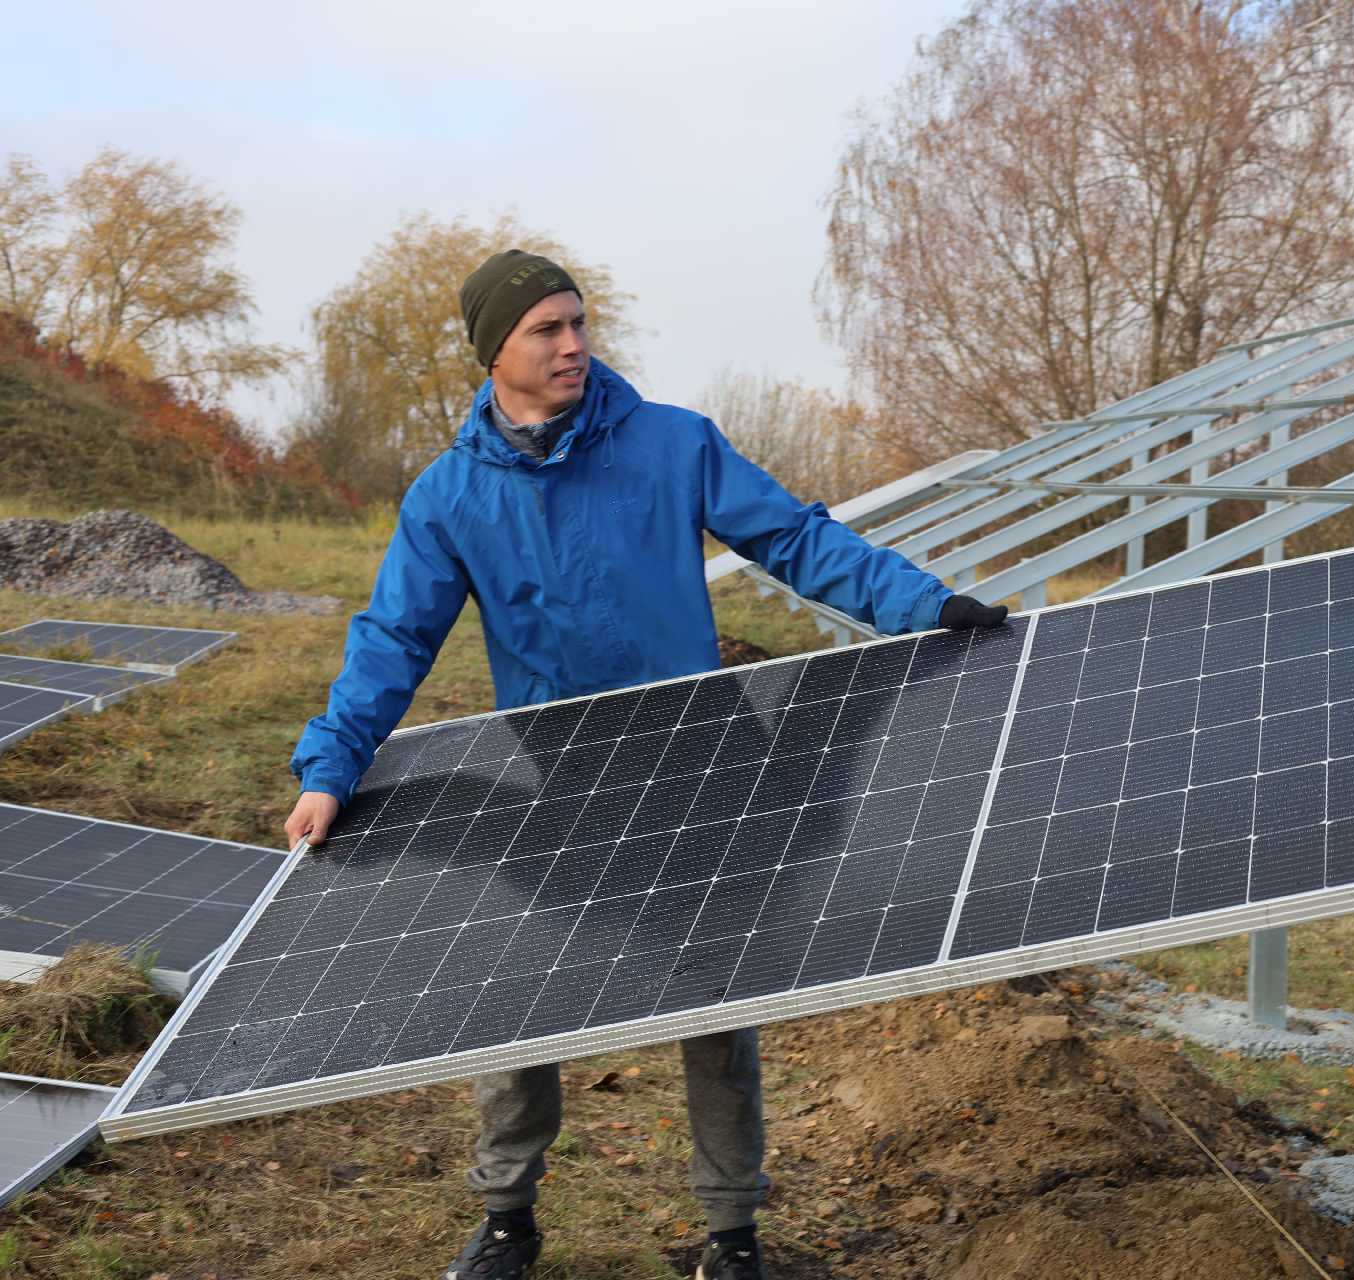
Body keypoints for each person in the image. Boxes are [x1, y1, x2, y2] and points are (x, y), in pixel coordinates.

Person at [282, 250, 1008, 1280]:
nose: (574, 343)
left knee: (718, 1000)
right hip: (555, 768)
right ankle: (506, 1216)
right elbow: (393, 637)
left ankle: (730, 1230)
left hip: (702, 752)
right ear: (497, 350)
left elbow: (798, 539)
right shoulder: (449, 498)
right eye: (547, 329)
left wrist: (926, 605)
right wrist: (331, 765)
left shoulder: (672, 443)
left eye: (578, 322)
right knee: (518, 983)